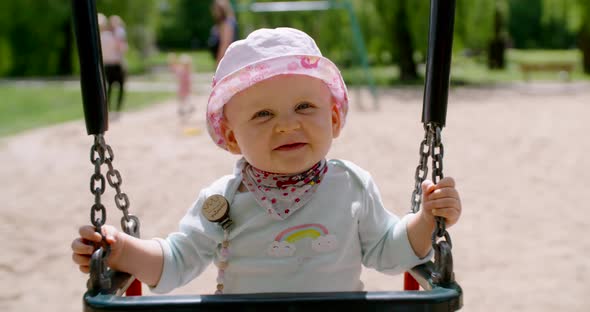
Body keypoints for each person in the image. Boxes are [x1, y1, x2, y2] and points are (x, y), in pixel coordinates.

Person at [72, 28, 462, 295]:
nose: (287, 125)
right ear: (230, 137)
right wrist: (121, 249)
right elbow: (175, 262)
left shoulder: (351, 186)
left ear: (334, 119)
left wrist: (427, 220)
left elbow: (389, 252)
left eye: (304, 107)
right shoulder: (222, 200)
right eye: (263, 115)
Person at [98, 14, 128, 119]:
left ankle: (109, 109)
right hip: (116, 64)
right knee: (120, 87)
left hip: (107, 65)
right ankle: (117, 110)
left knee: (109, 88)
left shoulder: (104, 36)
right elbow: (123, 49)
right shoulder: (115, 35)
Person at [208, 0, 238, 64]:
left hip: (227, 60)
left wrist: (219, 63)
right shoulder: (224, 23)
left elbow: (224, 44)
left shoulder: (227, 24)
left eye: (215, 9)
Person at [168, 53, 194, 120]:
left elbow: (189, 82)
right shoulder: (183, 71)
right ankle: (183, 109)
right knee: (182, 100)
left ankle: (187, 108)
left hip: (184, 89)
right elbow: (174, 69)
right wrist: (172, 61)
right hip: (182, 89)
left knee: (186, 99)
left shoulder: (187, 72)